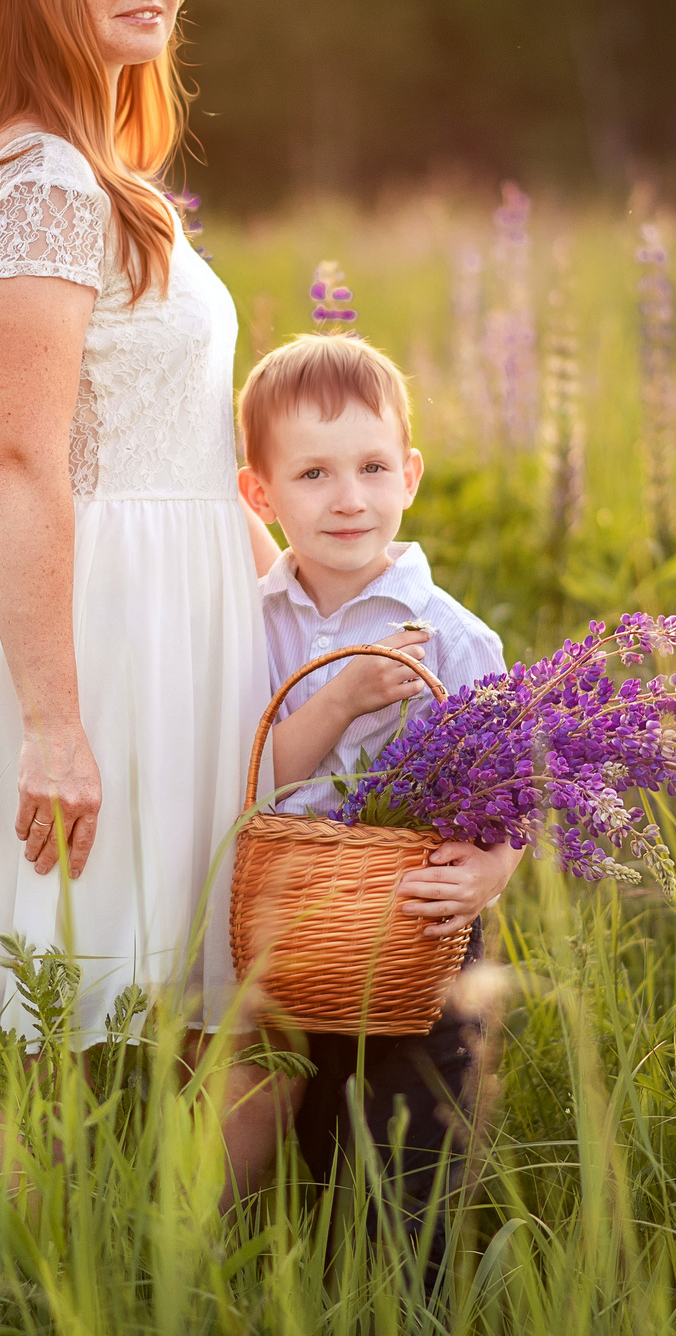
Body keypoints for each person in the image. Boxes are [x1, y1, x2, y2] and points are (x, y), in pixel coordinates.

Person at [0, 0, 274, 1187]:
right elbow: (19, 457)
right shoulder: (44, 182)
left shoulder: (96, 175)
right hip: (107, 647)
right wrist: (56, 724)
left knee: (200, 1029)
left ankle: (174, 1284)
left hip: (189, 634)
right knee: (64, 1049)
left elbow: (185, 443)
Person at [225, 331, 523, 1226]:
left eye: (371, 466)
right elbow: (255, 779)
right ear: (260, 493)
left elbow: (511, 786)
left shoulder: (453, 635)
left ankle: (409, 1293)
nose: (349, 498)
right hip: (298, 934)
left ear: (411, 475)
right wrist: (344, 698)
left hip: (417, 939)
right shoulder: (254, 624)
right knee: (315, 1142)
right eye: (312, 475)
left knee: (411, 1149)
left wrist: (491, 871)